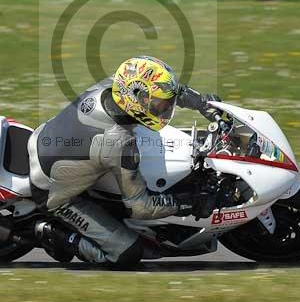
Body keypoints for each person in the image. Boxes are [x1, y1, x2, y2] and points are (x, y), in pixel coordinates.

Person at [27, 56, 221, 268]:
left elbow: (165, 88)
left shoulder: (112, 85)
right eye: (158, 104)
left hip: (44, 138)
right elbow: (141, 207)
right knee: (127, 252)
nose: (164, 107)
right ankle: (57, 235)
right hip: (53, 194)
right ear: (135, 98)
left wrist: (201, 103)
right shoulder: (118, 143)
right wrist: (191, 202)